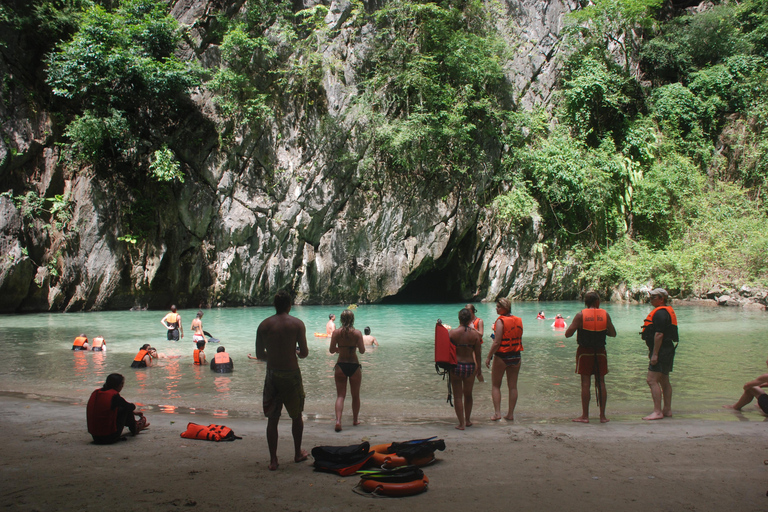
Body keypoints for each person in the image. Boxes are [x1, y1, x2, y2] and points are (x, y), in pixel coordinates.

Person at [255, 290, 309, 470]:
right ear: (289, 305)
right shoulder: (297, 324)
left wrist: (273, 355)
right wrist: (293, 351)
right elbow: (304, 353)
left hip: (272, 375)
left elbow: (258, 355)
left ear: (275, 305)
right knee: (296, 416)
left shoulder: (264, 325)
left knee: (273, 418)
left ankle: (273, 460)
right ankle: (297, 453)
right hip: (291, 374)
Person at [564, 291, 617, 423]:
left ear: (586, 302)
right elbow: (613, 333)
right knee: (601, 382)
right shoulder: (605, 315)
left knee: (585, 383)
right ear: (597, 301)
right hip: (600, 352)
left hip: (584, 352)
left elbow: (567, 334)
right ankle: (603, 416)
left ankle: (585, 416)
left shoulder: (580, 315)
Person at [641, 288, 678, 420]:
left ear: (661, 299)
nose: (650, 299)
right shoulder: (664, 312)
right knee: (664, 379)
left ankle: (657, 412)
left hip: (661, 350)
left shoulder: (661, 314)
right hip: (668, 349)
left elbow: (659, 334)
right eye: (650, 297)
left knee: (651, 380)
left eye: (653, 297)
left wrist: (655, 354)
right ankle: (667, 410)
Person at [484, 298, 523, 421]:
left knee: (496, 385)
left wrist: (489, 356)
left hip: (502, 356)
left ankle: (497, 413)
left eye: (498, 307)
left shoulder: (500, 321)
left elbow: (497, 342)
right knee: (513, 386)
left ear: (504, 308)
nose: (496, 308)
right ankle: (510, 414)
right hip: (516, 356)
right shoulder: (518, 320)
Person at [86, 373, 149, 444]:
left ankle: (134, 426)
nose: (122, 386)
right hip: (109, 437)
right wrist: (132, 411)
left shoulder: (96, 393)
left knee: (123, 407)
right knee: (125, 409)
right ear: (118, 385)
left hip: (95, 437)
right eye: (122, 384)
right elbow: (131, 406)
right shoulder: (115, 397)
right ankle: (134, 428)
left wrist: (133, 412)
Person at [329, 310, 365, 432]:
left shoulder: (336, 333)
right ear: (353, 319)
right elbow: (362, 351)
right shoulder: (357, 333)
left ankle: (338, 421)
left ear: (341, 319)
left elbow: (331, 350)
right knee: (355, 395)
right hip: (354, 365)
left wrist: (341, 349)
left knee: (340, 396)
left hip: (341, 365)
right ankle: (355, 420)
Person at [449, 308, 483, 430]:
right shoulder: (475, 335)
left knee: (458, 396)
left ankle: (461, 423)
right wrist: (479, 369)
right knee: (468, 395)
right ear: (470, 319)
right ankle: (468, 420)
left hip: (456, 366)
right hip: (470, 366)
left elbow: (448, 352)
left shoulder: (452, 333)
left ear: (459, 318)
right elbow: (478, 354)